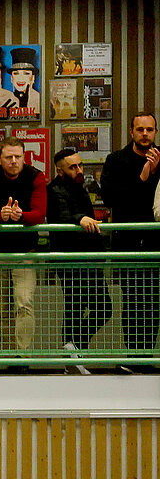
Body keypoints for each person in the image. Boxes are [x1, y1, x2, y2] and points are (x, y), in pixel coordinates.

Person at [0, 137, 47, 362]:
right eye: (8, 157)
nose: (13, 161)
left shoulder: (36, 176)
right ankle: (8, 355)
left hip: (25, 251)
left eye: (17, 157)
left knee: (24, 303)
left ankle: (22, 356)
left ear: (24, 157)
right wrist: (1, 216)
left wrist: (20, 215)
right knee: (0, 308)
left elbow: (39, 214)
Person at [99, 113, 160, 370]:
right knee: (133, 301)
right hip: (128, 242)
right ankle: (133, 356)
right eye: (140, 129)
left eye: (150, 129)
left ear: (155, 132)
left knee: (154, 302)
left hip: (156, 241)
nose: (145, 134)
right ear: (131, 132)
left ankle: (147, 357)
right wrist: (144, 177)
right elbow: (112, 198)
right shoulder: (116, 160)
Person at [45, 145, 112, 371]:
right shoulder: (54, 189)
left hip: (89, 257)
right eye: (72, 167)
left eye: (80, 164)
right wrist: (79, 218)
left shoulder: (80, 186)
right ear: (60, 170)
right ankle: (71, 355)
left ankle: (72, 348)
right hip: (70, 258)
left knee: (103, 307)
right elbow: (61, 215)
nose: (79, 169)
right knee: (76, 304)